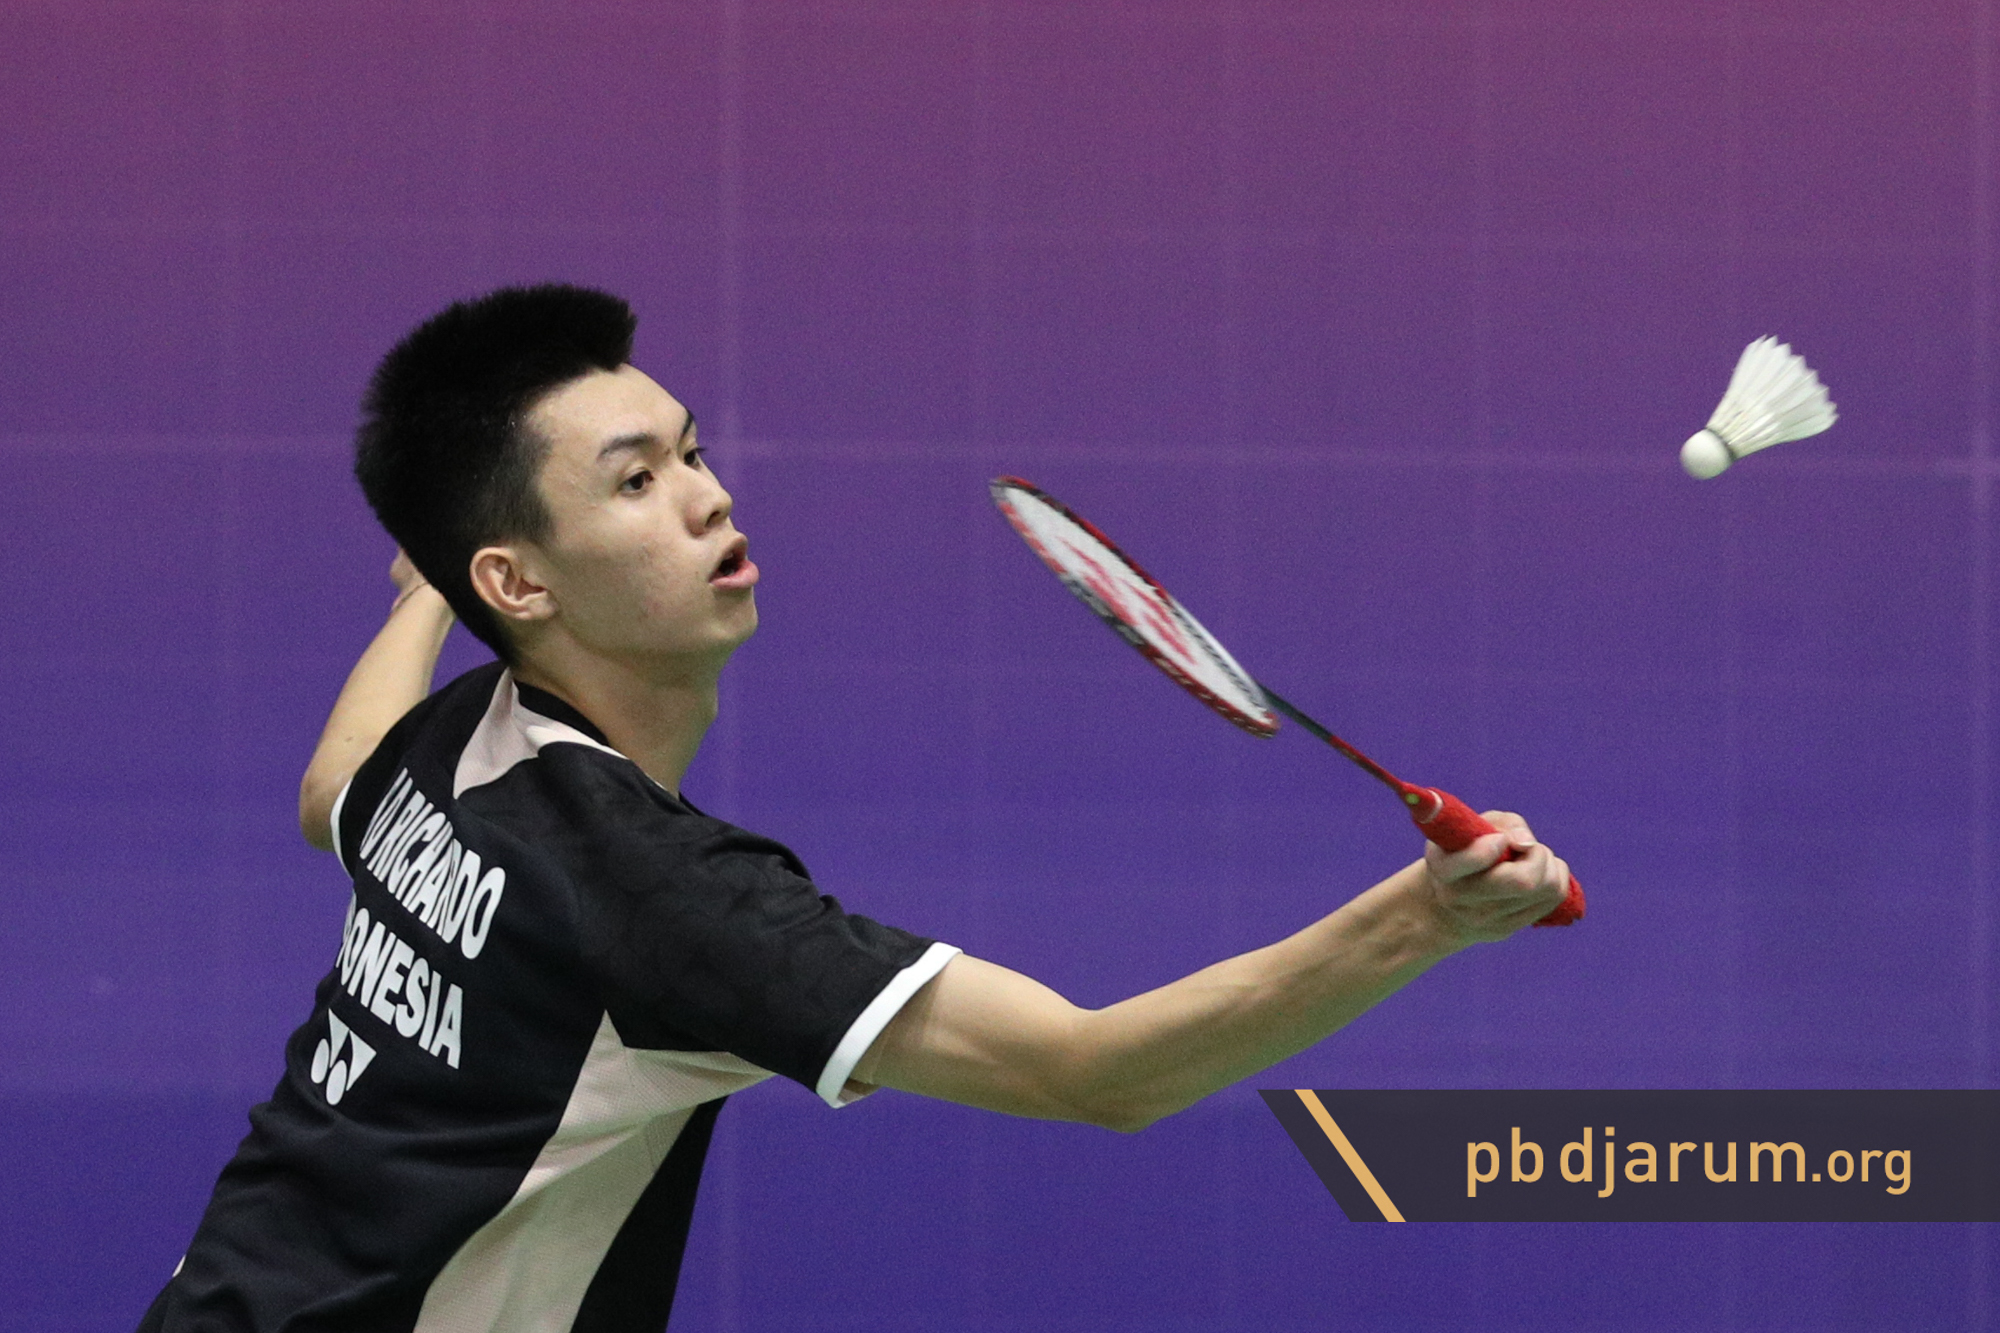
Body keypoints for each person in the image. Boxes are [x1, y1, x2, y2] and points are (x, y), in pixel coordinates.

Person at [139, 284, 1570, 1332]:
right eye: (635, 482)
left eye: (690, 452)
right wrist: (1427, 920)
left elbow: (337, 787)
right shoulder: (667, 901)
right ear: (519, 580)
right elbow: (1096, 1073)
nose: (706, 499)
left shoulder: (462, 744)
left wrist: (429, 591)